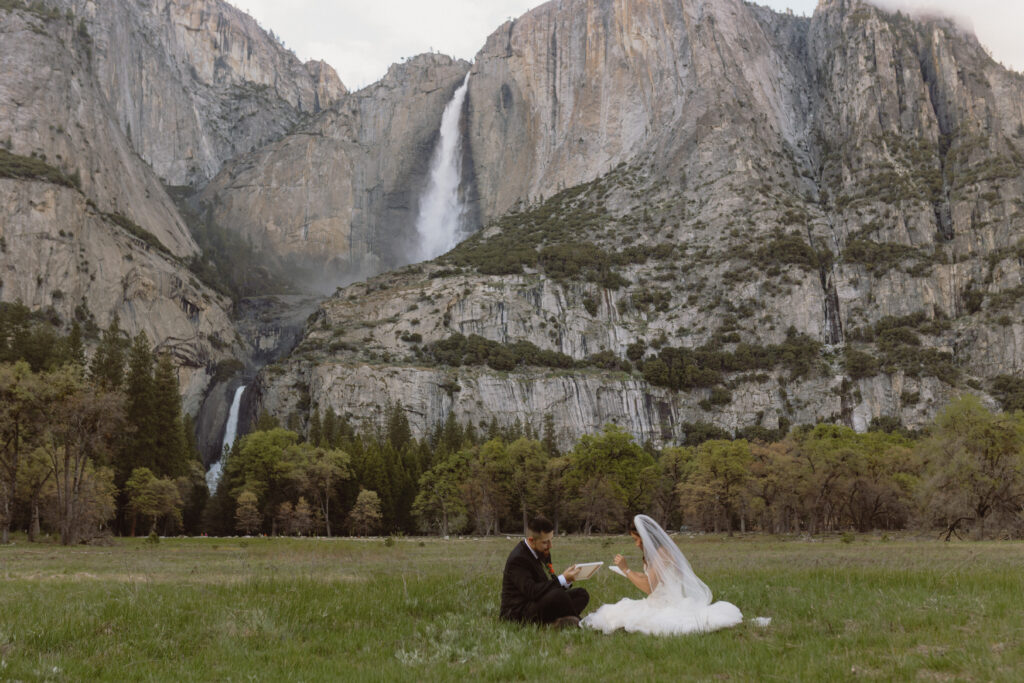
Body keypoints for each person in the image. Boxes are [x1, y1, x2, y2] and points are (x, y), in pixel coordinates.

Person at [581, 514, 743, 635]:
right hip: (658, 600)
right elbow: (654, 579)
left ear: (646, 538)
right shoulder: (657, 553)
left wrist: (626, 570)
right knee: (613, 612)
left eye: (637, 539)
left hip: (667, 604)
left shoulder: (662, 554)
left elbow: (649, 587)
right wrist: (628, 572)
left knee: (620, 616)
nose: (636, 544)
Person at [500, 515, 589, 627]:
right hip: (519, 612)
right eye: (545, 542)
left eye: (551, 540)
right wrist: (562, 579)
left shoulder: (542, 551)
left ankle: (556, 622)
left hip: (537, 602)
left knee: (581, 594)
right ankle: (581, 623)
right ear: (531, 541)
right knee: (558, 595)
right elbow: (532, 591)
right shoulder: (518, 559)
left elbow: (548, 585)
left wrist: (567, 580)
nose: (550, 546)